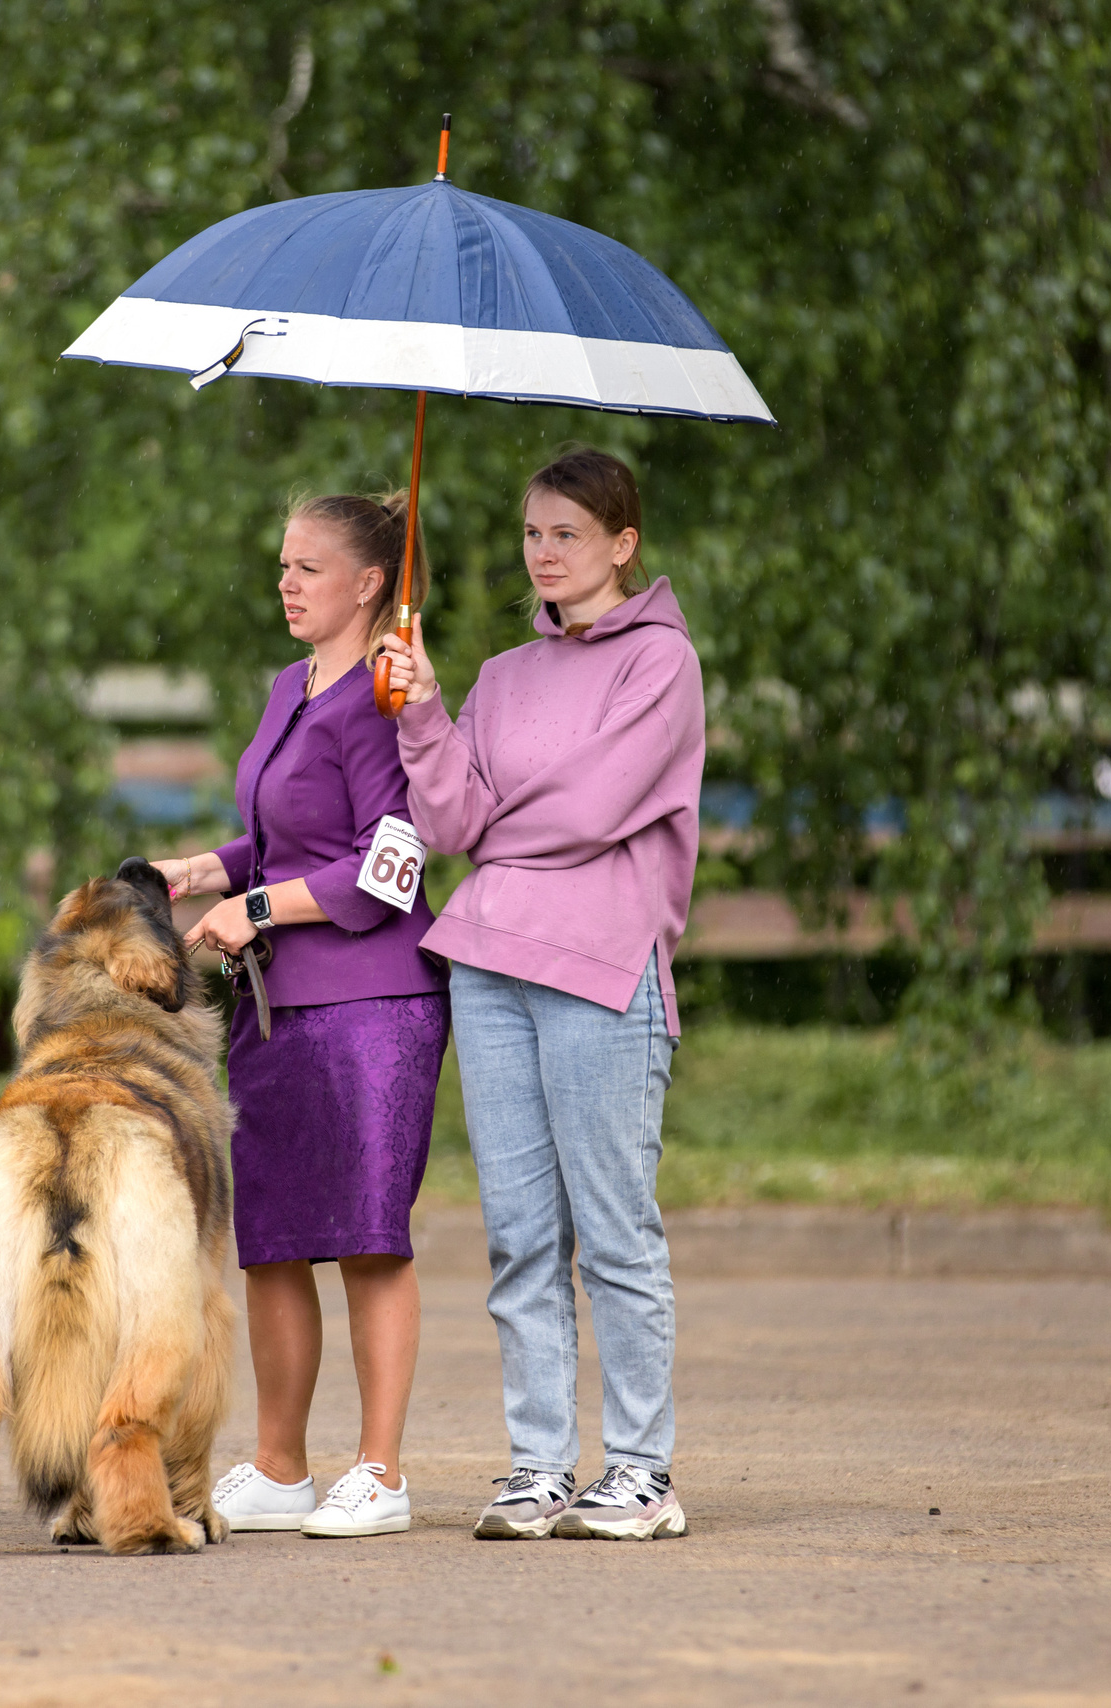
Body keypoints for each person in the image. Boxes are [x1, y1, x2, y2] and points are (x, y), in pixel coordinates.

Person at [378, 446, 704, 1542]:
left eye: (567, 533)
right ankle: (538, 1466)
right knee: (520, 1235)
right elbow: (452, 825)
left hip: (603, 969)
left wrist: (500, 824)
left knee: (613, 1232)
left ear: (623, 544)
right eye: (531, 533)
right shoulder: (505, 676)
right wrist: (421, 710)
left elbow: (595, 806)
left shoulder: (660, 664)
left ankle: (643, 1473)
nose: (544, 552)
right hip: (489, 965)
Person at [152, 492, 449, 1541]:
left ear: (370, 583)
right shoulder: (292, 684)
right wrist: (198, 872)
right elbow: (278, 837)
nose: (285, 582)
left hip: (373, 1006)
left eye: (309, 568)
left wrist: (257, 906)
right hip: (275, 1010)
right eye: (282, 564)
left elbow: (389, 866)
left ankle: (380, 1468)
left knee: (367, 1239)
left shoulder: (385, 695)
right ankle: (279, 1465)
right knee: (273, 1242)